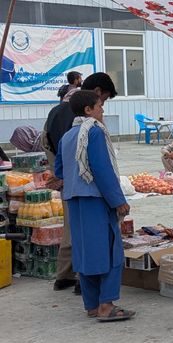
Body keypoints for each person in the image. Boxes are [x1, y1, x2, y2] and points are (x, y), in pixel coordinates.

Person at [55, 90, 134, 322]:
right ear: (89, 110)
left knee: (84, 252)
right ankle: (106, 305)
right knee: (110, 251)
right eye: (100, 106)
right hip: (95, 199)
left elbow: (60, 171)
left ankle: (91, 304)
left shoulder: (68, 136)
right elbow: (102, 168)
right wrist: (118, 200)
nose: (103, 110)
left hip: (74, 200)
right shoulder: (94, 131)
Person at [42, 72, 117, 292]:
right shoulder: (88, 128)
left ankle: (64, 275)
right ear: (96, 95)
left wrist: (59, 174)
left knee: (71, 226)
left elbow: (49, 143)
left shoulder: (56, 111)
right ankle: (83, 281)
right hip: (86, 185)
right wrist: (116, 199)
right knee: (89, 235)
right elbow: (98, 165)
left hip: (66, 179)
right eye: (102, 102)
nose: (102, 108)